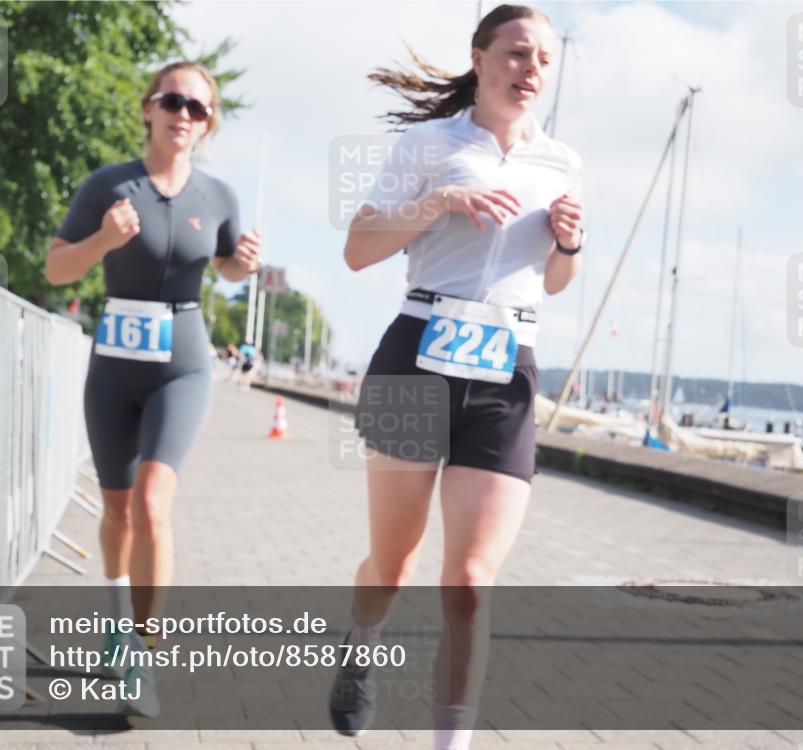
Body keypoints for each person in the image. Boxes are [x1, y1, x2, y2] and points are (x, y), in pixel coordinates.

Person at [330, 5, 585, 749]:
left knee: (470, 583)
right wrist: (439, 200)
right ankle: (361, 644)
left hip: (506, 367)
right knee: (395, 561)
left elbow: (557, 280)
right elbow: (357, 250)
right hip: (417, 354)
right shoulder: (430, 143)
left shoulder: (563, 162)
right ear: (480, 59)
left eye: (543, 58)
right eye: (515, 53)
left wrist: (570, 240)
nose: (530, 68)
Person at [44, 60, 261, 717]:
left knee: (153, 500)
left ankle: (143, 650)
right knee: (117, 511)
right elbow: (56, 268)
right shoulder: (108, 186)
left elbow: (222, 265)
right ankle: (115, 624)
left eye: (198, 108)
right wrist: (104, 240)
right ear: (148, 108)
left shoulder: (219, 196)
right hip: (114, 364)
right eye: (173, 100)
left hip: (183, 362)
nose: (183, 115)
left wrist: (239, 265)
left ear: (208, 123)